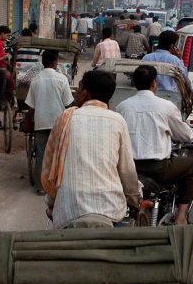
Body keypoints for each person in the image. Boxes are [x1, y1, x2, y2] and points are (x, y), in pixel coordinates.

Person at [41, 70, 142, 229]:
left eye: (78, 89)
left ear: (86, 93)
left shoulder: (65, 118)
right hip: (110, 209)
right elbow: (127, 171)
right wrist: (135, 200)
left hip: (68, 210)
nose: (76, 94)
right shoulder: (117, 120)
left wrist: (52, 205)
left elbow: (52, 171)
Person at [116, 65, 193, 225]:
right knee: (190, 166)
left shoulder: (122, 107)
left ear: (134, 83)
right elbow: (183, 133)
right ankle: (181, 216)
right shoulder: (166, 106)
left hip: (127, 167)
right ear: (154, 83)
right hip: (158, 169)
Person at [25, 50, 74, 195]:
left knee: (41, 153)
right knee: (59, 154)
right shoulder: (62, 79)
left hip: (41, 122)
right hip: (58, 123)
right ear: (55, 62)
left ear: (43, 62)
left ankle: (40, 187)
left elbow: (31, 107)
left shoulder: (36, 80)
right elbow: (68, 103)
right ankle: (58, 185)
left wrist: (27, 122)